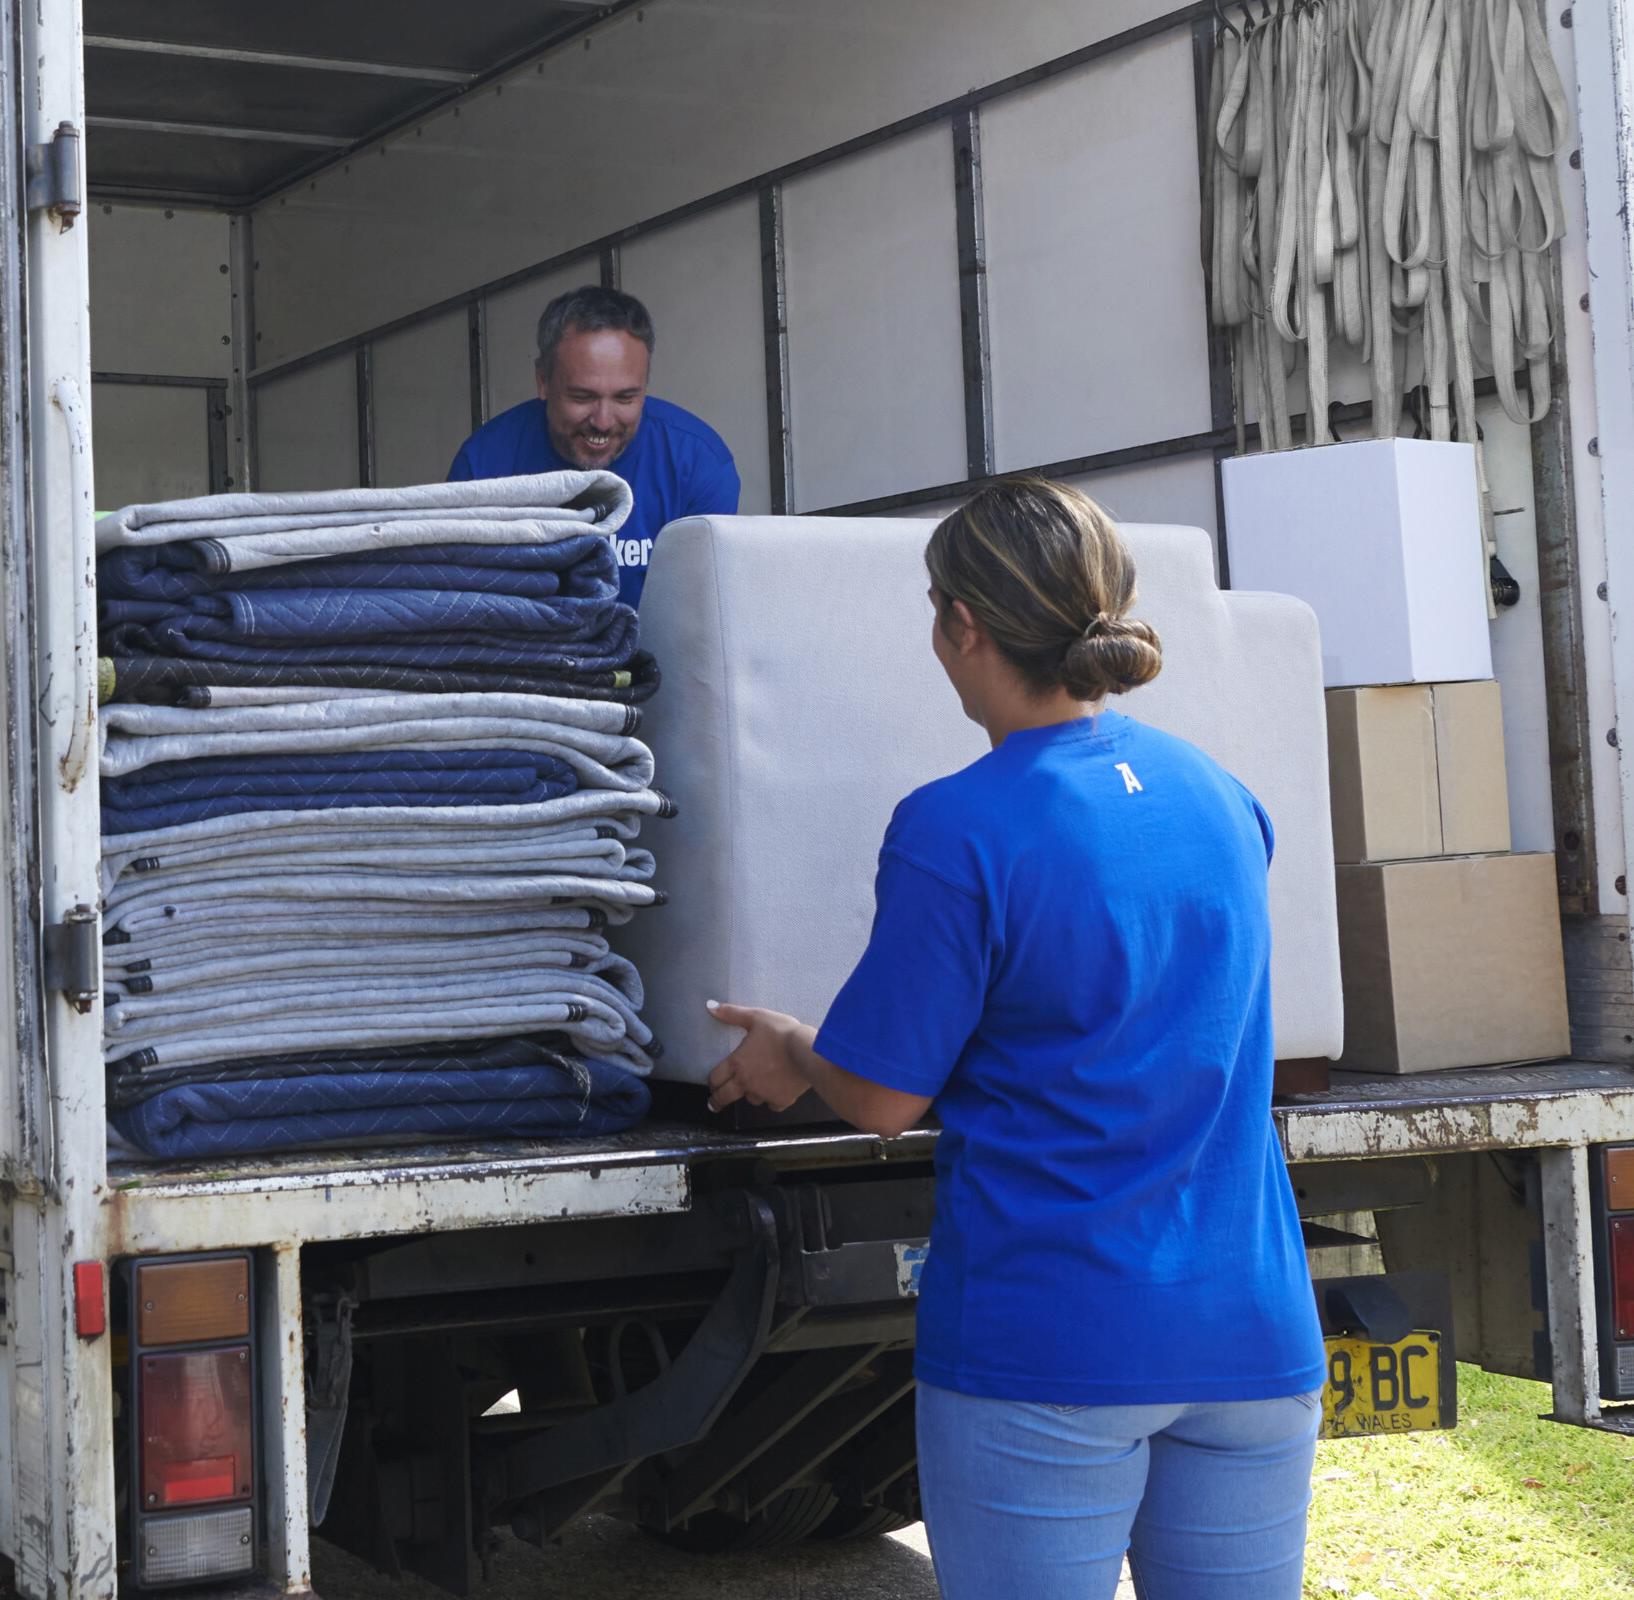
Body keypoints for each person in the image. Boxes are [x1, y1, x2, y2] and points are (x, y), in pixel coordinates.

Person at [704, 478, 1325, 1600]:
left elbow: (883, 1095)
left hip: (1053, 1341)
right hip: (1251, 1327)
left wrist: (794, 1046)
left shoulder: (957, 827)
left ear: (966, 627)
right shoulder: (1220, 795)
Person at [446, 284, 739, 608]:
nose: (602, 421)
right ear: (543, 380)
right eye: (582, 397)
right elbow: (467, 611)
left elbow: (703, 619)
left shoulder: (698, 464)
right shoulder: (482, 465)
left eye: (625, 398)